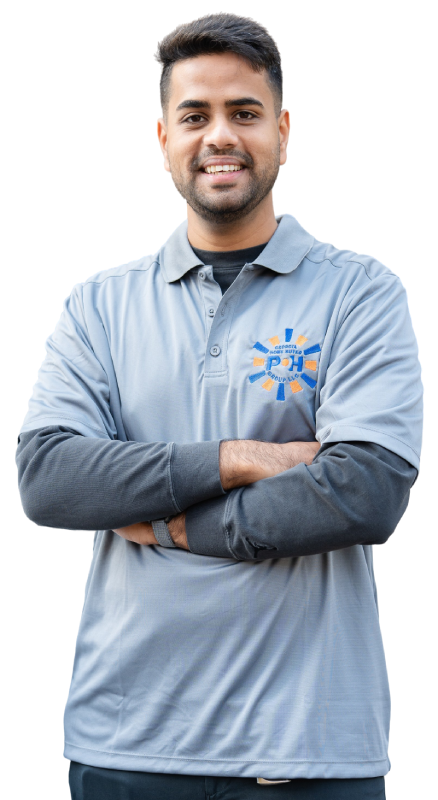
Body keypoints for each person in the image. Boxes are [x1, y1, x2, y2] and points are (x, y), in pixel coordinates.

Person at [15, 12, 422, 800]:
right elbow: (50, 480)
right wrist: (239, 457)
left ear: (284, 129)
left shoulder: (361, 292)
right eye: (196, 116)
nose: (220, 137)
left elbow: (366, 491)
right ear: (163, 137)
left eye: (244, 112)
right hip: (128, 740)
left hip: (307, 746)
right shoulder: (100, 304)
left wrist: (171, 523)